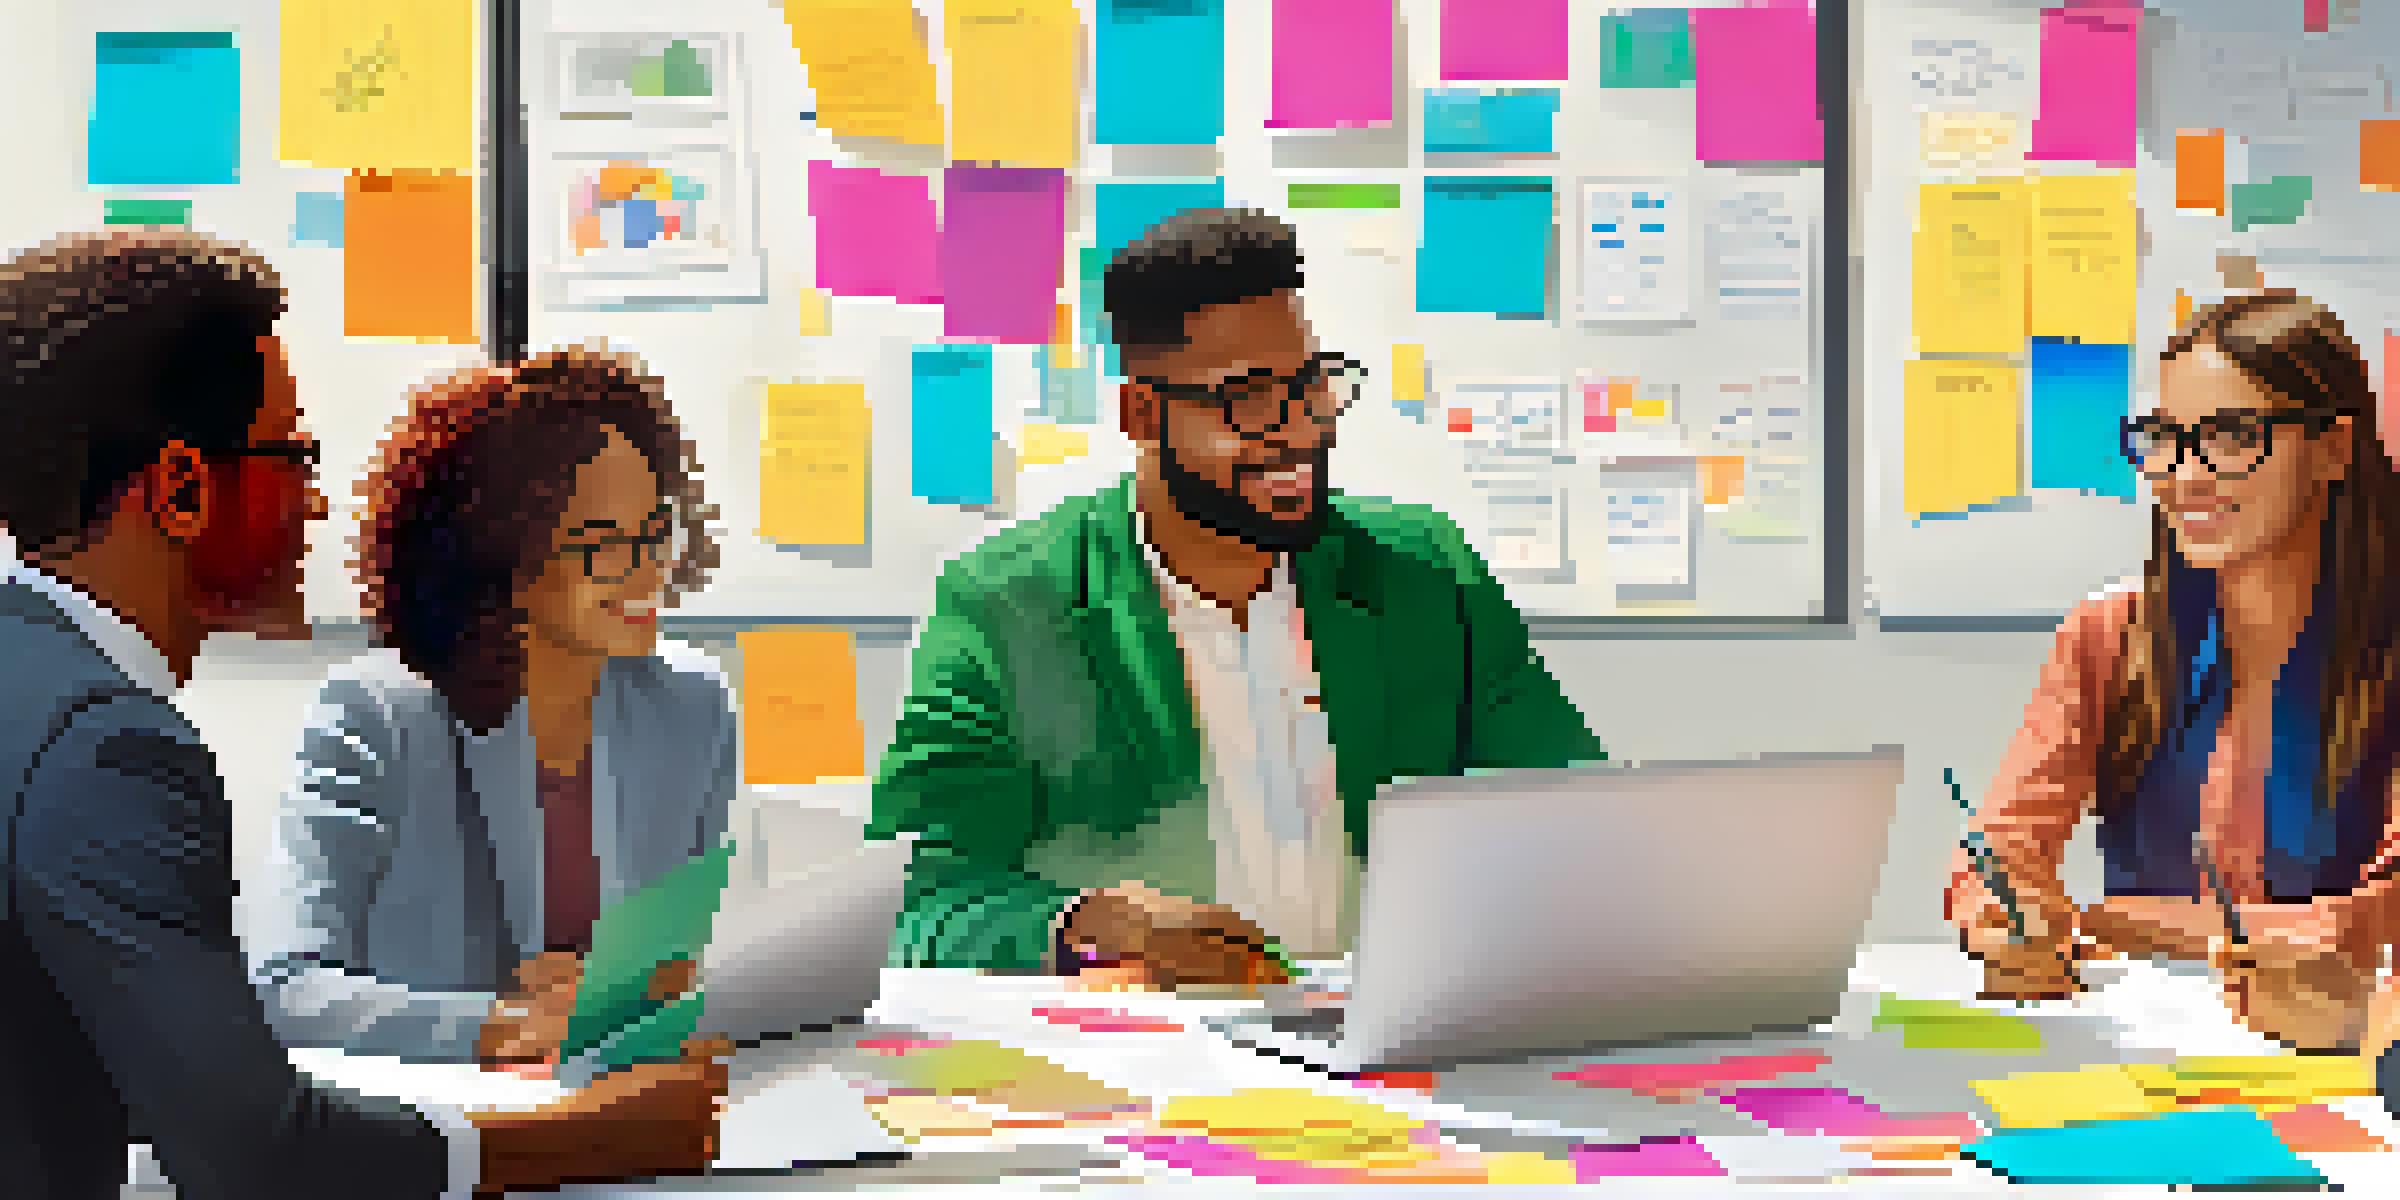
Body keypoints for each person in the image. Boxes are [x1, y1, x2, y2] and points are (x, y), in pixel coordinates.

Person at [0, 230, 726, 1198]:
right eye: (291, 456)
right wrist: (595, 1137)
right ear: (179, 490)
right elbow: (256, 1150)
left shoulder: (31, 679)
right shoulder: (109, 752)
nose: (315, 503)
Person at [868, 208, 1603, 987]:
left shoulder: (1424, 573)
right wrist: (1084, 925)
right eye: (1250, 399)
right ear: (1141, 415)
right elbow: (915, 900)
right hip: (1145, 1072)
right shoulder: (1004, 608)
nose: (1300, 431)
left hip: (1397, 1045)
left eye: (1311, 385)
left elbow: (1573, 817)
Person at [248, 345, 736, 1069]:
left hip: (625, 1104)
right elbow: (282, 987)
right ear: (499, 557)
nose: (647, 571)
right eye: (602, 545)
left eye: (655, 531)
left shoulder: (691, 708)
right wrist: (502, 1022)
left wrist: (650, 993)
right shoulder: (377, 719)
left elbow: (692, 956)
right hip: (443, 1137)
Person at [1949, 290, 2400, 1052]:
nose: (2184, 476)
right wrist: (2003, 918)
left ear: (2334, 448)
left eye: (2231, 435)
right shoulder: (2106, 635)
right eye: (2164, 438)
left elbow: (2372, 919)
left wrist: (2127, 920)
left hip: (2347, 1062)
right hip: (2143, 1051)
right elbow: (2002, 850)